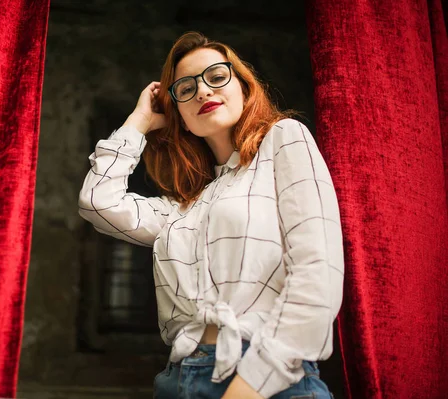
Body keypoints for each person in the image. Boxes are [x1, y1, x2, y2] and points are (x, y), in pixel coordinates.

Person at [78, 31, 344, 399]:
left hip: (268, 380)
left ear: (244, 89)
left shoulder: (283, 140)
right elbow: (96, 201)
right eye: (185, 89)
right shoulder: (181, 207)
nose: (202, 91)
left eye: (216, 77)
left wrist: (251, 385)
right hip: (178, 380)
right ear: (181, 118)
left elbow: (319, 273)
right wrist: (138, 122)